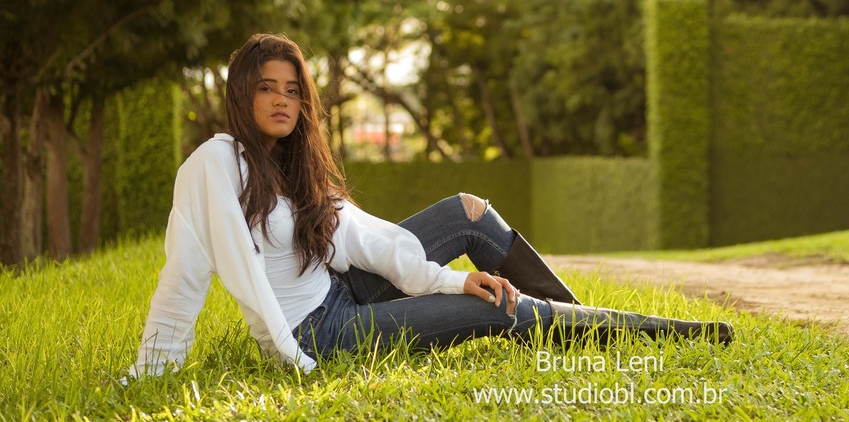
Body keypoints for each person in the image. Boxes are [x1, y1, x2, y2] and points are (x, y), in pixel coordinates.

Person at [130, 33, 732, 377]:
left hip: (348, 291)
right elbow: (182, 277)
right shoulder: (214, 163)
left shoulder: (292, 164)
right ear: (242, 92)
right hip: (323, 332)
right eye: (267, 87)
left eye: (293, 89)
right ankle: (661, 335)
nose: (283, 100)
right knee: (500, 308)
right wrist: (151, 370)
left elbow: (360, 239)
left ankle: (577, 326)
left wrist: (445, 282)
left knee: (468, 210)